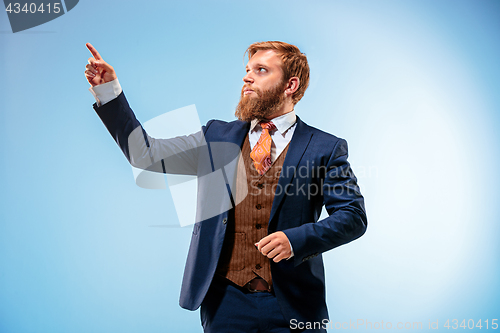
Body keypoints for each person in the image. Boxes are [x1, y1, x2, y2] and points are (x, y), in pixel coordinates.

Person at [84, 41, 367, 332]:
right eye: (247, 70)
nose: (247, 77)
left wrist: (297, 239)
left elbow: (352, 217)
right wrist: (109, 92)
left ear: (290, 85)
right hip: (225, 304)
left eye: (260, 70)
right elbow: (146, 155)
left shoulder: (325, 147)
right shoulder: (217, 136)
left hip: (294, 306)